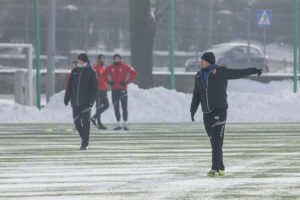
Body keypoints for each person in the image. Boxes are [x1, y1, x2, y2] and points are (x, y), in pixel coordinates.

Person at [190, 52, 262, 177]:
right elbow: (196, 94)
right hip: (206, 112)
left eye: (203, 60)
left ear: (210, 61)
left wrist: (253, 70)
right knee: (214, 141)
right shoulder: (198, 76)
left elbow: (237, 73)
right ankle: (221, 167)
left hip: (219, 109)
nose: (201, 62)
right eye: (201, 60)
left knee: (217, 140)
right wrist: (193, 109)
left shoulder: (220, 71)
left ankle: (215, 169)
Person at [64, 53, 98, 150]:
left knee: (86, 123)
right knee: (77, 123)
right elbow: (69, 86)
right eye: (78, 59)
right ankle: (85, 139)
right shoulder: (74, 71)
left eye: (79, 59)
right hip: (75, 102)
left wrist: (91, 101)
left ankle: (84, 143)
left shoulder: (91, 72)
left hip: (86, 102)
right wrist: (67, 97)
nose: (78, 61)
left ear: (84, 61)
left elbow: (94, 88)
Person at [103, 54, 138, 131]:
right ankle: (118, 124)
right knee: (116, 107)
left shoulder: (125, 66)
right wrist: (108, 82)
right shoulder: (110, 67)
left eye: (118, 59)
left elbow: (134, 73)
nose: (117, 60)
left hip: (123, 89)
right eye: (116, 59)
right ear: (114, 59)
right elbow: (103, 75)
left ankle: (125, 124)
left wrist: (127, 82)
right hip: (114, 90)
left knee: (124, 107)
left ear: (120, 59)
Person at [90, 55, 109, 130]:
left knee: (106, 105)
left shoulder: (104, 68)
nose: (102, 60)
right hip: (98, 90)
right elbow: (93, 80)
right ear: (98, 60)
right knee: (98, 107)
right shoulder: (95, 68)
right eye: (101, 59)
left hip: (104, 89)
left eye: (103, 59)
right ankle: (99, 124)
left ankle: (94, 117)